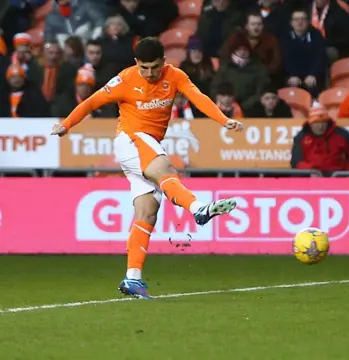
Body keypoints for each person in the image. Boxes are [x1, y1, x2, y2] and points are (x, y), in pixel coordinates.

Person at [50, 37, 244, 299]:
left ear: (164, 61)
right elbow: (92, 102)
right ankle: (198, 209)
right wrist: (67, 124)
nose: (150, 73)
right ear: (136, 63)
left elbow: (199, 97)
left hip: (145, 144)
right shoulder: (125, 79)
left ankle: (132, 278)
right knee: (166, 170)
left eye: (154, 67)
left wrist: (224, 120)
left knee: (147, 212)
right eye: (144, 68)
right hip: (132, 139)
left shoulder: (174, 76)